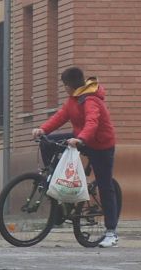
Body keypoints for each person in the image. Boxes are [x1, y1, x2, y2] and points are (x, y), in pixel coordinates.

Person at [34, 66, 120, 247]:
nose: (64, 88)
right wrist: (43, 129)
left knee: (105, 186)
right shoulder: (73, 100)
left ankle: (111, 232)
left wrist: (80, 139)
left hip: (100, 145)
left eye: (64, 85)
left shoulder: (91, 100)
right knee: (47, 141)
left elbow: (92, 123)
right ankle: (53, 178)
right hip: (81, 139)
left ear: (69, 85)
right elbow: (60, 117)